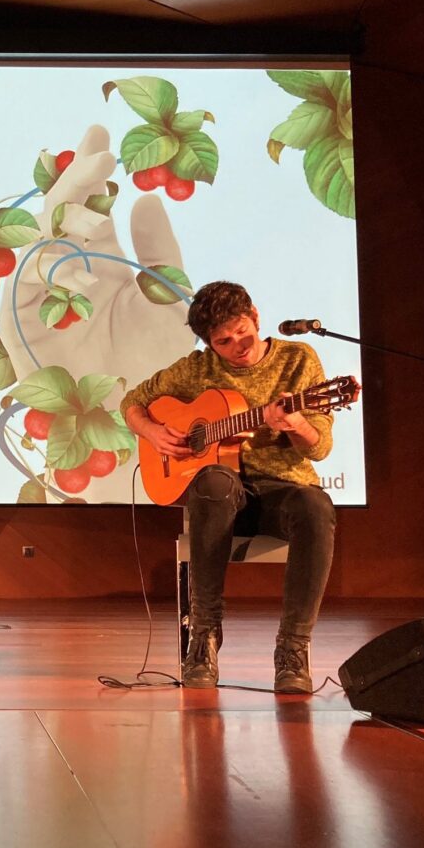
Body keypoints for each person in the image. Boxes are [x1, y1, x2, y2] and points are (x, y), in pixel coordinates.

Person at [121, 281, 343, 693]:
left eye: (243, 332)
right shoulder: (197, 369)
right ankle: (203, 637)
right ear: (209, 343)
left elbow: (320, 448)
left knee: (316, 507)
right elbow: (132, 402)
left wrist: (295, 423)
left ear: (255, 317)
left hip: (282, 492)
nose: (238, 346)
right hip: (222, 500)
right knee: (214, 480)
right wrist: (152, 432)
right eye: (223, 342)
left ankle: (292, 649)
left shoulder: (298, 360)